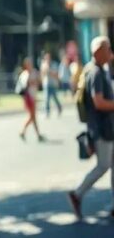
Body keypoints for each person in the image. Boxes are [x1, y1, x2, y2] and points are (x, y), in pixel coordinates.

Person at [68, 36, 114, 220]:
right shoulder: (95, 72)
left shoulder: (96, 70)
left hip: (106, 128)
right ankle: (77, 194)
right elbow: (99, 102)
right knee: (103, 166)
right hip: (102, 129)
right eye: (107, 48)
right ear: (98, 52)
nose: (110, 51)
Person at [16, 58, 45, 142]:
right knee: (32, 116)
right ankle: (23, 131)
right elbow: (24, 86)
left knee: (33, 117)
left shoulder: (34, 72)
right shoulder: (24, 74)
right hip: (28, 97)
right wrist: (31, 82)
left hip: (33, 95)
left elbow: (39, 82)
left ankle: (37, 134)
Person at [40, 53, 63, 117]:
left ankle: (59, 107)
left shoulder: (54, 64)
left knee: (55, 98)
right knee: (46, 98)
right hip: (46, 84)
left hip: (53, 83)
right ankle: (47, 112)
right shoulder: (44, 65)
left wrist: (50, 72)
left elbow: (56, 74)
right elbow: (42, 74)